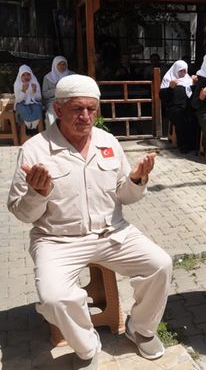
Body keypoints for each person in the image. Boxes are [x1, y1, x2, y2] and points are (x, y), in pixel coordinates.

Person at [7, 75, 172, 369]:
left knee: (160, 264)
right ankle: (86, 346)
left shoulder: (108, 142)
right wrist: (37, 194)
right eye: (77, 109)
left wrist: (137, 180)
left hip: (112, 232)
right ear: (58, 110)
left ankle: (141, 329)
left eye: (92, 110)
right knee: (55, 298)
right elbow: (22, 214)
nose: (86, 117)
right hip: (57, 239)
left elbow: (125, 195)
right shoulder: (34, 150)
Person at [159, 60, 199, 153]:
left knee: (195, 117)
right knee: (181, 118)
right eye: (180, 71)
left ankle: (193, 145)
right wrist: (170, 88)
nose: (183, 73)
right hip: (174, 108)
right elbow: (163, 97)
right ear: (175, 70)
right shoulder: (168, 80)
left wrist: (193, 85)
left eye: (185, 71)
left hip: (188, 107)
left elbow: (193, 96)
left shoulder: (189, 80)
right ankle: (183, 145)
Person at [13, 64, 44, 143]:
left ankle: (32, 128)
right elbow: (19, 100)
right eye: (23, 75)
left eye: (28, 74)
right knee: (24, 109)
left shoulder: (34, 82)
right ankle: (29, 127)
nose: (26, 76)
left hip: (33, 102)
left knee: (37, 108)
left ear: (31, 74)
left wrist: (34, 91)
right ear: (20, 76)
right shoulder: (17, 84)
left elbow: (39, 98)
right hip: (21, 104)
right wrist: (23, 90)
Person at [42, 56, 74, 127]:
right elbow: (45, 94)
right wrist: (56, 89)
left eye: (64, 64)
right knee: (51, 114)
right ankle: (54, 135)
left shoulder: (72, 75)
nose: (62, 66)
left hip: (68, 99)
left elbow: (75, 89)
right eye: (59, 64)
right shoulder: (47, 78)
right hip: (53, 101)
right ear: (55, 65)